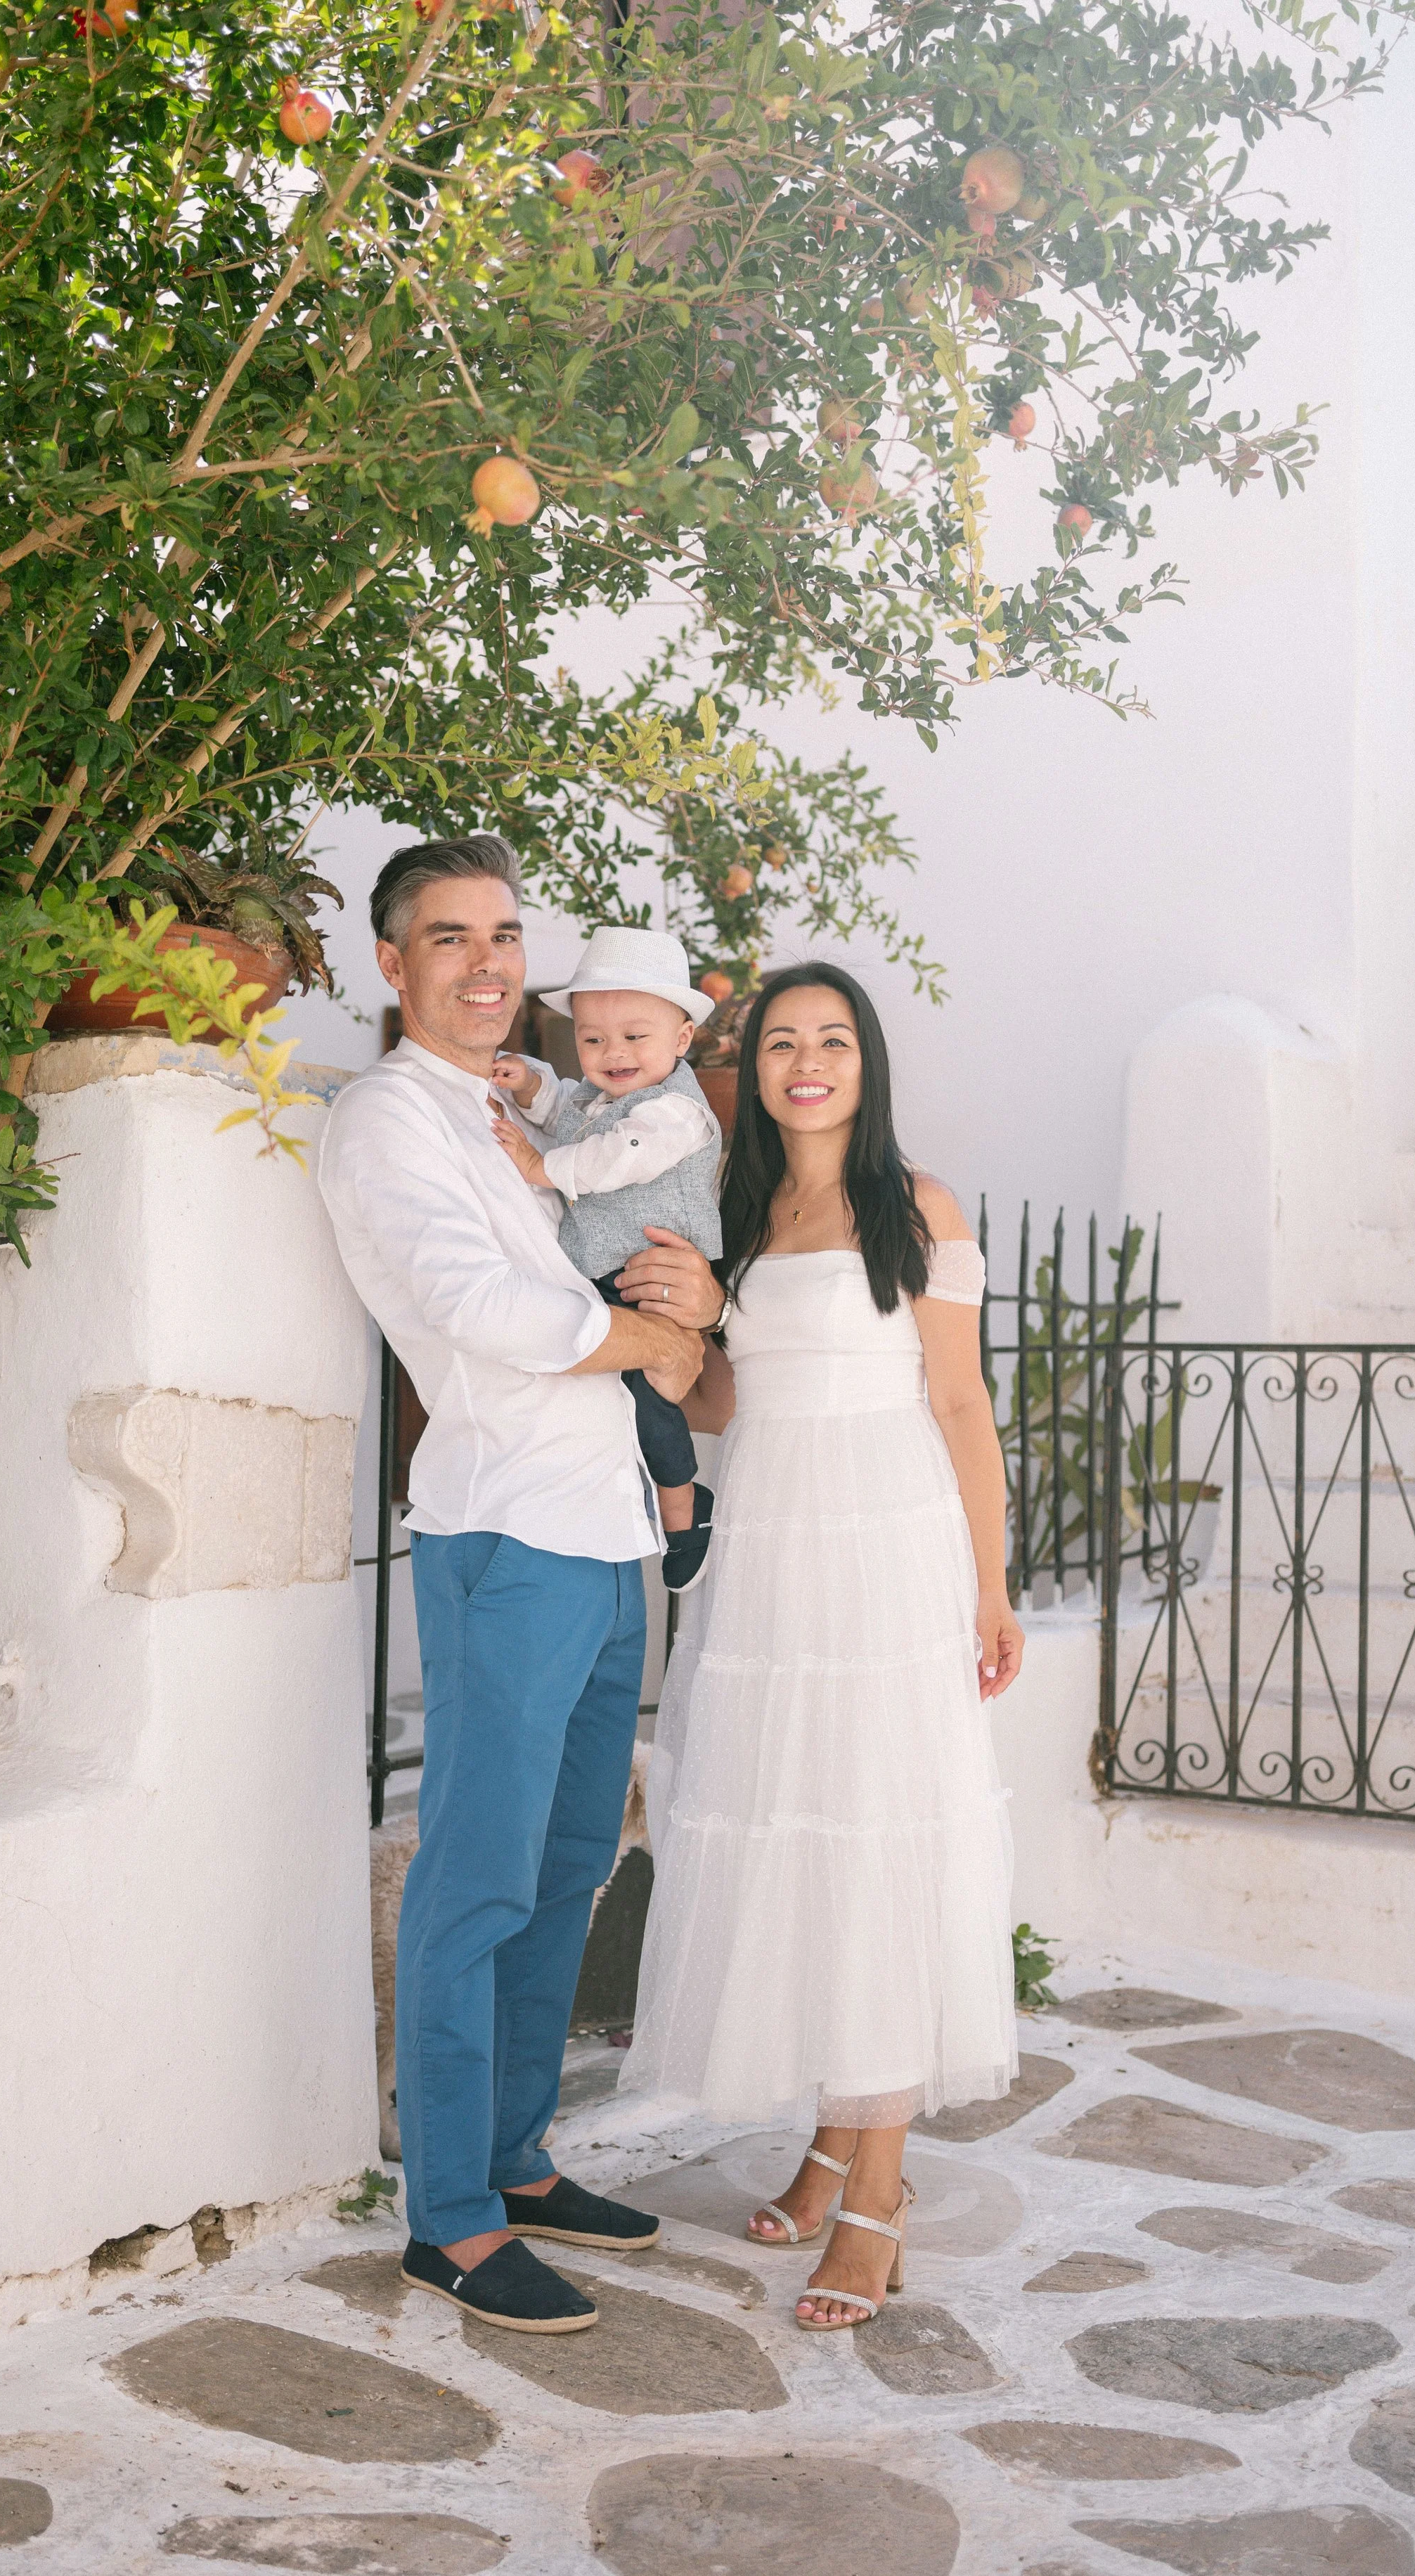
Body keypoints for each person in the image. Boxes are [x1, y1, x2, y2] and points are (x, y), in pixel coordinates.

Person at [317, 835, 724, 2336]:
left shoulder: (533, 1108)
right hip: (504, 1537)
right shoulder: (383, 1123)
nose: (486, 963)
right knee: (476, 1880)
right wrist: (657, 1346)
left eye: (502, 934)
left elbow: (639, 1276)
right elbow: (482, 1310)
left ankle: (517, 2156)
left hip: (610, 1528)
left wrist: (687, 1315)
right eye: (447, 937)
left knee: (567, 1869)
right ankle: (452, 2218)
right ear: (393, 963)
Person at [621, 960, 1025, 2329]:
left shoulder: (916, 1209)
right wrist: (687, 1313)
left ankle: (876, 2199)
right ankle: (827, 2138)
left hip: (891, 1555)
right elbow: (729, 1398)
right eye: (780, 1040)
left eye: (830, 1040)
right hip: (775, 1560)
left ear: (867, 1062)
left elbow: (962, 1407)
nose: (803, 1062)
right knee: (795, 1840)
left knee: (881, 1848)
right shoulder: (737, 1209)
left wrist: (991, 1587)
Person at [489, 926, 724, 1592]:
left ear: (681, 1041)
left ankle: (684, 1510)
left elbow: (618, 1154)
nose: (611, 1053)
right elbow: (564, 1105)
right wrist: (529, 1082)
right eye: (593, 1040)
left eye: (634, 1037)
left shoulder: (675, 1113)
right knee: (599, 1399)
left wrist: (541, 1167)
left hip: (653, 1282)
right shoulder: (600, 1099)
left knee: (647, 1399)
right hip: (603, 1278)